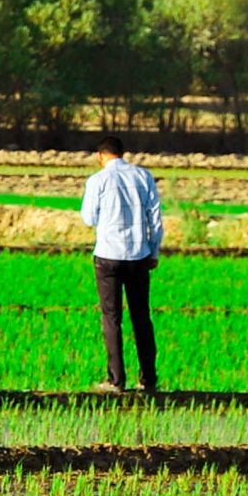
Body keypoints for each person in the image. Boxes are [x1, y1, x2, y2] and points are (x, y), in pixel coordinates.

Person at [79, 133, 161, 392]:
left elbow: (88, 218)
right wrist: (154, 252)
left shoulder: (98, 180)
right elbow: (155, 219)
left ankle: (116, 380)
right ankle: (148, 379)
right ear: (122, 153)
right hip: (139, 255)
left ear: (100, 156)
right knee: (141, 317)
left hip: (108, 256)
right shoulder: (143, 176)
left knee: (111, 318)